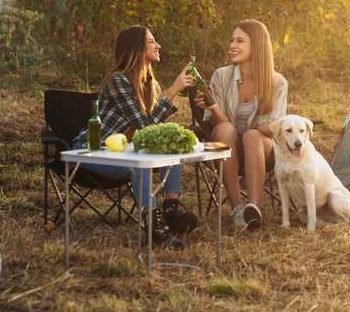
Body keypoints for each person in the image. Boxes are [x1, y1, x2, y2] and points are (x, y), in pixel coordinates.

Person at [73, 26, 199, 249]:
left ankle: (171, 210)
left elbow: (149, 134)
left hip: (123, 152)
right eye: (151, 42)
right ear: (136, 49)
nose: (158, 46)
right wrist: (172, 92)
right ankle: (155, 228)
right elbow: (144, 127)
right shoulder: (119, 80)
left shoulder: (149, 84)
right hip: (91, 151)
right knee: (139, 165)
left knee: (172, 147)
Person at [196, 19, 288, 231]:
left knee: (252, 136)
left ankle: (253, 207)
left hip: (262, 149)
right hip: (227, 147)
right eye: (232, 40)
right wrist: (213, 107)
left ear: (256, 44)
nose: (232, 46)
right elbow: (220, 123)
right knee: (225, 129)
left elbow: (274, 128)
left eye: (239, 41)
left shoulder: (277, 83)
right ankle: (238, 208)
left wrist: (259, 130)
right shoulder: (221, 76)